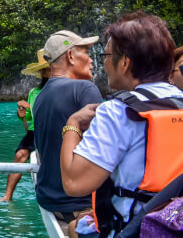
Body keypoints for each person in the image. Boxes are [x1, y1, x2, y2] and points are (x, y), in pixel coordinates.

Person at [60, 13, 183, 237]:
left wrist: (73, 123)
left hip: (135, 230)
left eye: (106, 55)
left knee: (75, 229)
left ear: (125, 62)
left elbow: (74, 183)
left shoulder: (118, 112)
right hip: (175, 223)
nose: (104, 63)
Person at [32, 30, 102, 233]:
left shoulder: (39, 97)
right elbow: (100, 153)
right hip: (80, 205)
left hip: (50, 200)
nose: (91, 61)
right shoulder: (85, 89)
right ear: (71, 56)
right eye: (86, 53)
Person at [0, 49, 50, 202]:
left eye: (51, 67)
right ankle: (7, 197)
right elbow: (30, 117)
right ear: (42, 72)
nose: (49, 71)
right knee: (19, 155)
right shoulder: (34, 92)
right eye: (46, 69)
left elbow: (52, 110)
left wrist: (30, 106)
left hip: (53, 131)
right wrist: (22, 114)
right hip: (35, 131)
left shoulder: (61, 89)